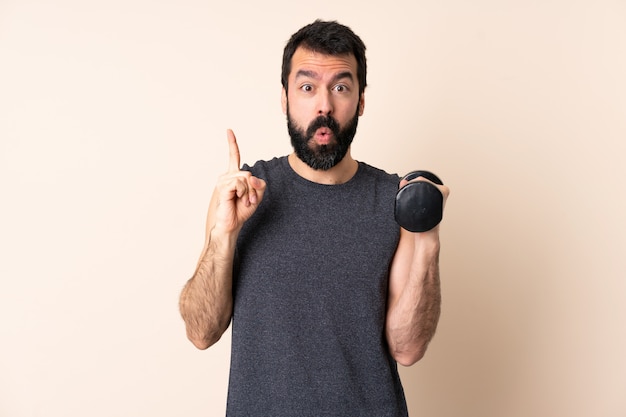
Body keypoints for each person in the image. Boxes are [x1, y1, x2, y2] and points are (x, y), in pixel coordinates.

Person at [179, 19, 450, 416]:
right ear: (285, 99)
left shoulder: (396, 201)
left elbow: (407, 348)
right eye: (307, 87)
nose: (324, 105)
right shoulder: (243, 194)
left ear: (360, 101)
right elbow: (201, 332)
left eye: (340, 87)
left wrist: (426, 234)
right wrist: (223, 234)